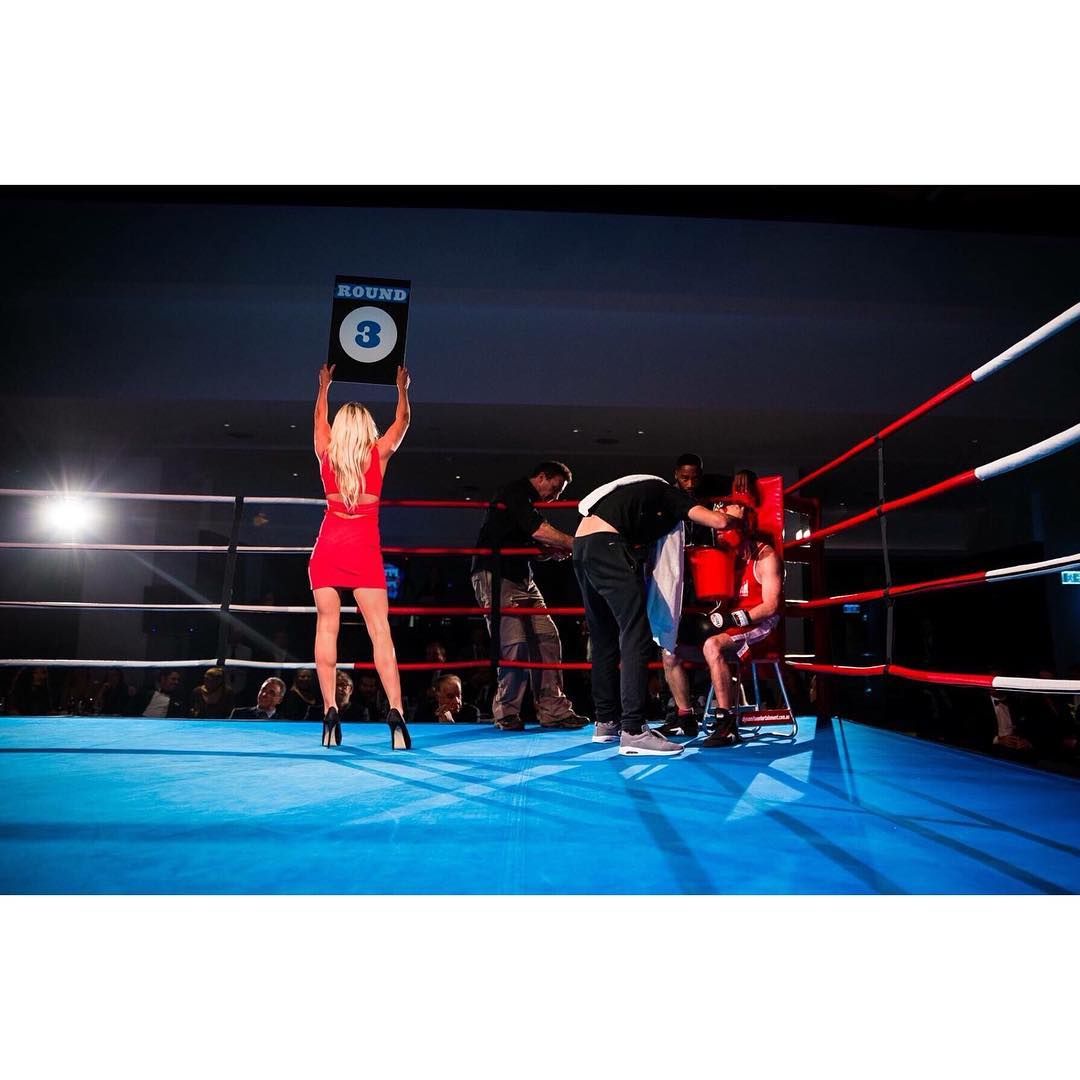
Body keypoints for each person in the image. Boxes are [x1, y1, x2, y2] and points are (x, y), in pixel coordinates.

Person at [572, 474, 738, 756]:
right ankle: (634, 731)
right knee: (636, 633)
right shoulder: (670, 495)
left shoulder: (638, 495)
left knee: (603, 638)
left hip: (582, 547)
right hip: (607, 545)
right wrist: (734, 516)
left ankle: (606, 723)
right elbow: (718, 522)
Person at [309, 361, 412, 750]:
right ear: (367, 428)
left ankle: (329, 712)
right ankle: (396, 711)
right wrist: (402, 389)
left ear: (339, 428)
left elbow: (319, 419)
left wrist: (324, 387)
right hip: (364, 550)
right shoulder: (378, 453)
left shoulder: (326, 451)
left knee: (326, 628)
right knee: (380, 632)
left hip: (328, 547)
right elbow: (402, 422)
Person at [470, 461, 588, 732]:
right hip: (495, 575)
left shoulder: (526, 503)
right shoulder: (515, 492)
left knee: (547, 639)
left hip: (522, 578)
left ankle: (554, 710)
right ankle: (506, 712)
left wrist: (546, 551)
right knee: (515, 645)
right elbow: (538, 529)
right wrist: (577, 544)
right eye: (555, 488)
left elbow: (525, 539)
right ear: (542, 477)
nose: (555, 497)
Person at [698, 473, 783, 748]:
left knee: (712, 645)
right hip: (737, 626)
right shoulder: (728, 559)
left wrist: (736, 617)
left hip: (762, 626)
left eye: (725, 529)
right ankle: (684, 713)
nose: (720, 534)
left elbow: (771, 606)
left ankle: (726, 724)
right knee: (677, 647)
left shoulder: (765, 556)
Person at [659, 452, 714, 736]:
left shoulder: (709, 497)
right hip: (670, 578)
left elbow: (735, 481)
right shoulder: (664, 498)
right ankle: (674, 709)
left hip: (702, 581)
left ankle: (704, 702)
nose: (690, 483)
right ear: (675, 475)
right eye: (684, 478)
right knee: (668, 642)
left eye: (694, 478)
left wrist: (747, 476)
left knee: (705, 638)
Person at [412, 674, 481, 724]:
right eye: (450, 696)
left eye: (459, 695)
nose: (457, 701)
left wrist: (451, 725)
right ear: (438, 696)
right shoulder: (423, 712)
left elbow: (469, 738)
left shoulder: (471, 712)